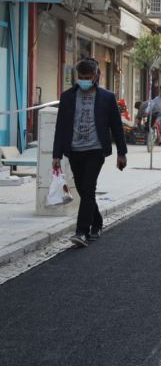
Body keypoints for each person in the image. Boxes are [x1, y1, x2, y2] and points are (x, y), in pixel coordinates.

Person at [52, 58, 126, 248]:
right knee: (84, 190)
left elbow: (117, 127)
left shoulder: (107, 97)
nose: (84, 80)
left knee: (88, 187)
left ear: (96, 77)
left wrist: (121, 153)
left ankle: (82, 231)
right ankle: (98, 221)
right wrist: (56, 155)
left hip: (96, 150)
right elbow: (61, 127)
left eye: (88, 77)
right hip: (74, 151)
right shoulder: (67, 97)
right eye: (81, 77)